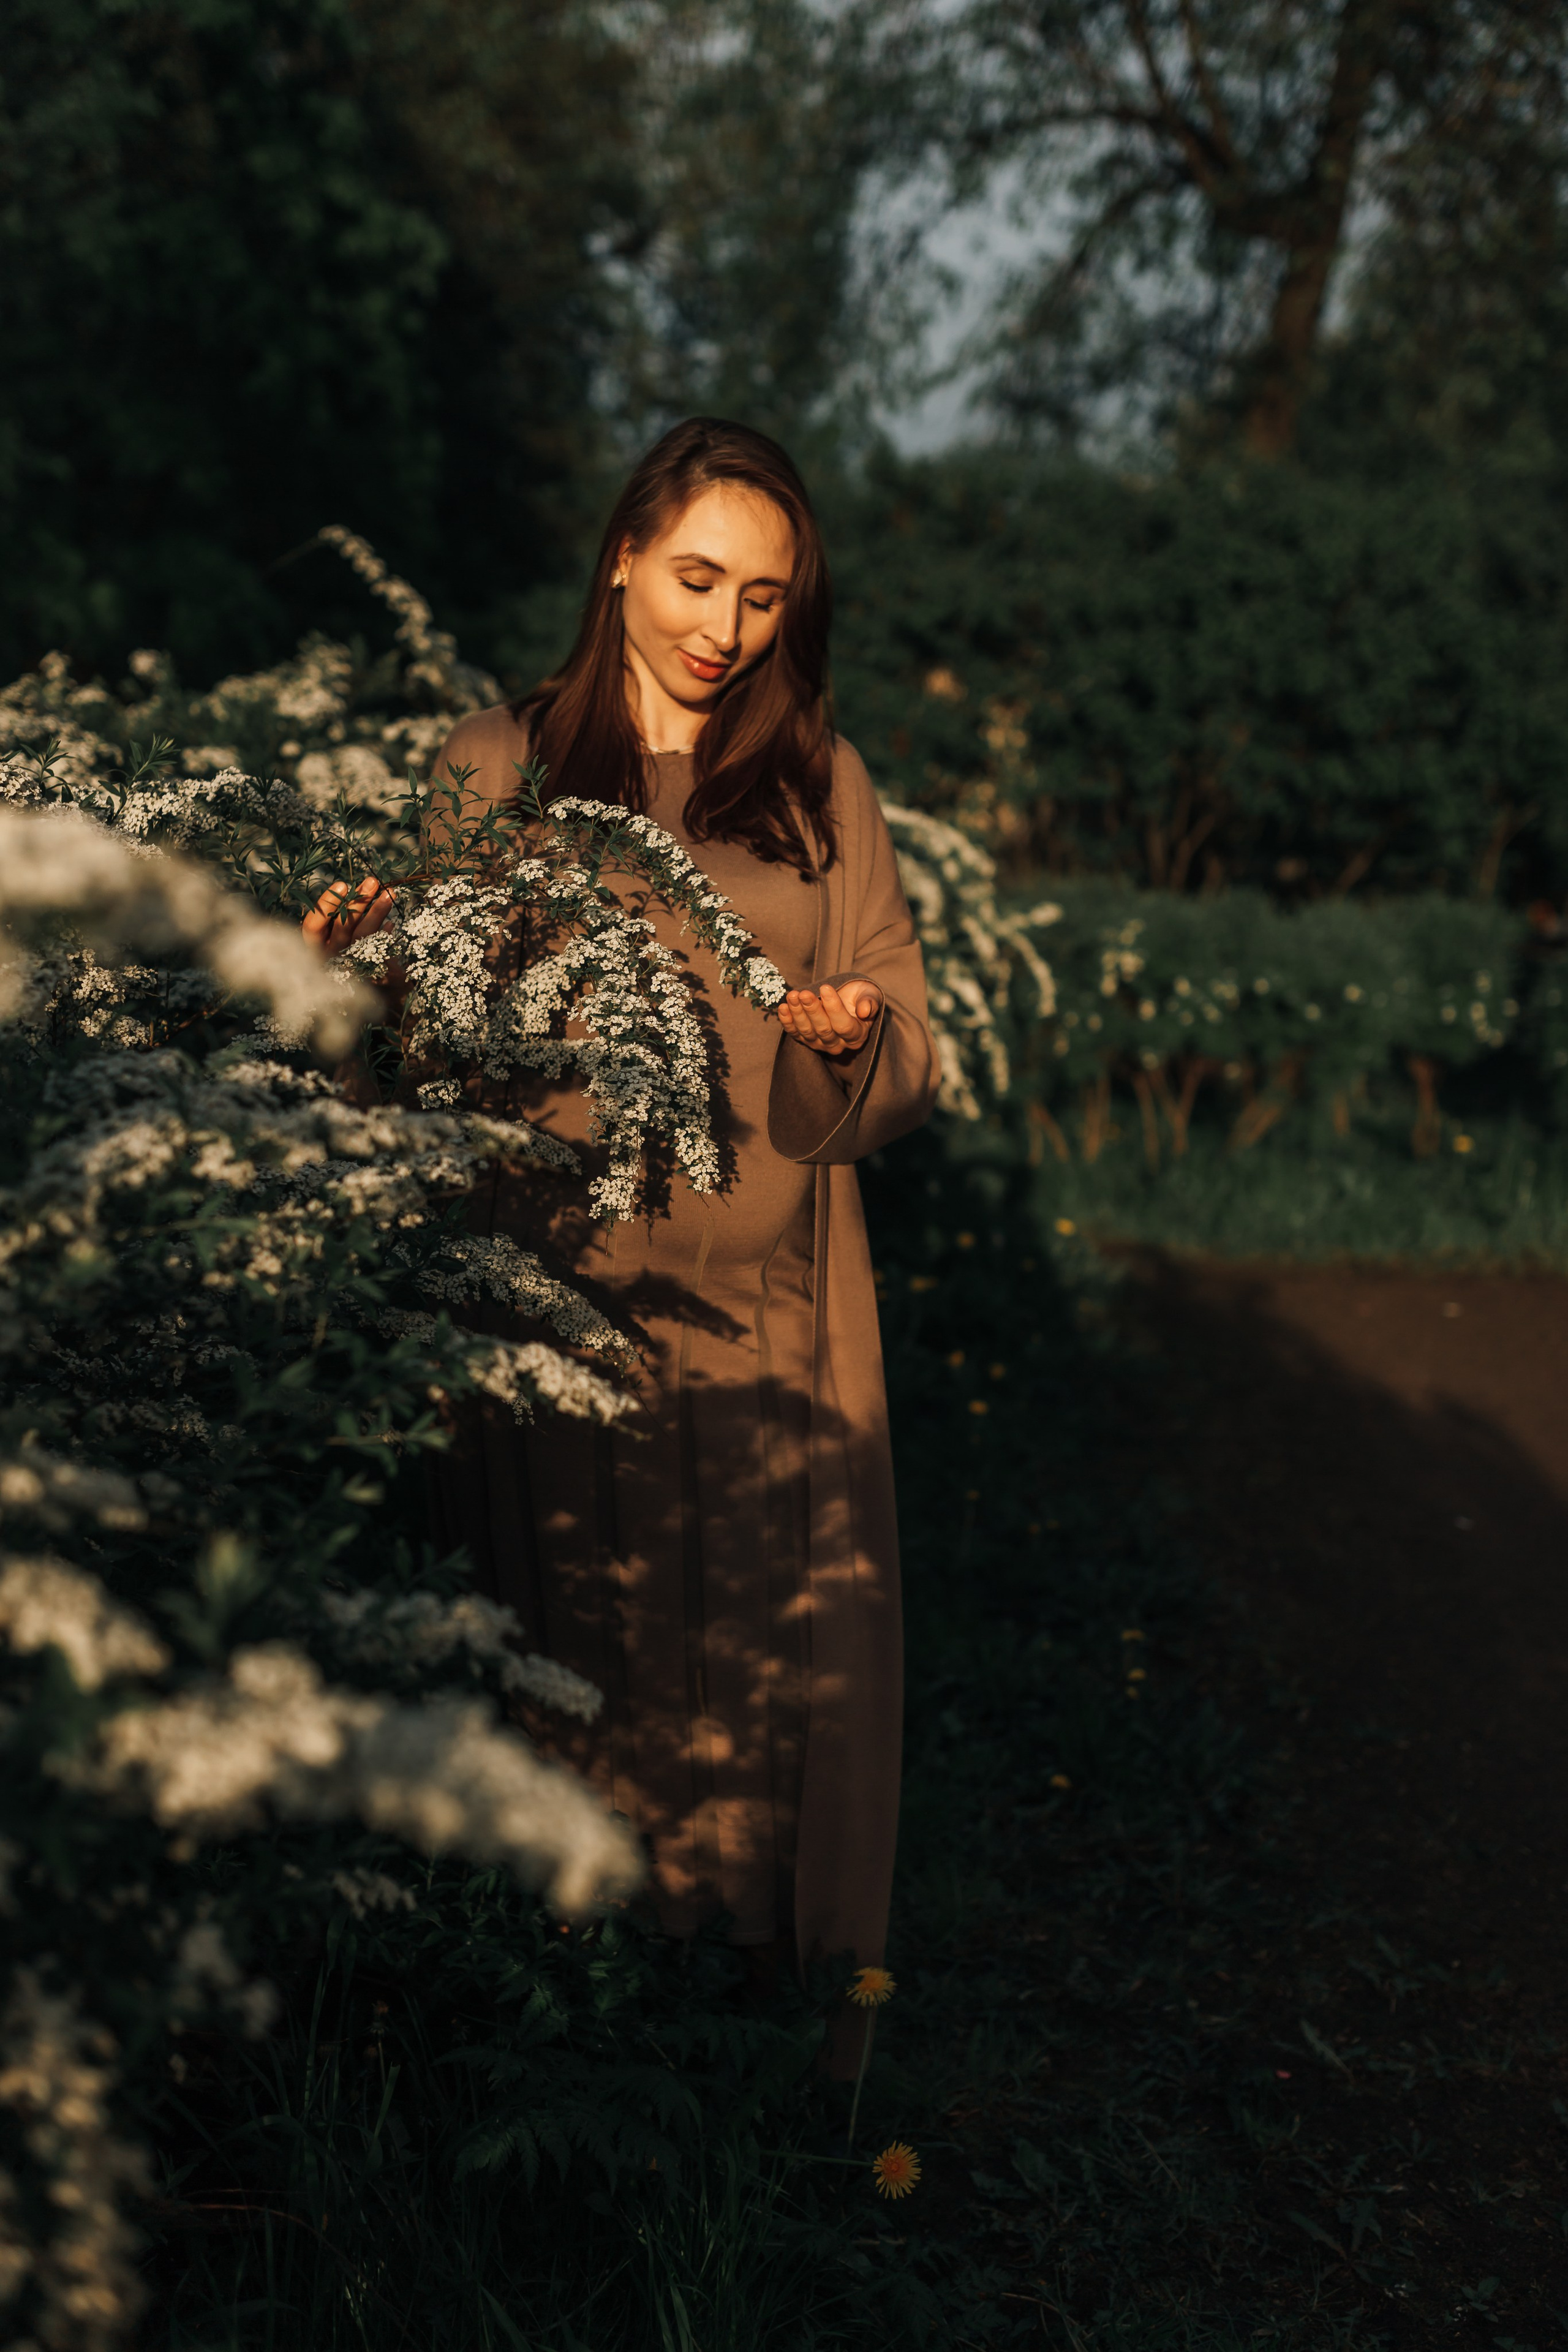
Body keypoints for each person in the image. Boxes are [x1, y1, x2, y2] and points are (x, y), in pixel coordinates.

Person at [307, 418, 937, 2033]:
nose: (725, 629)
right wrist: (355, 971)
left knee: (759, 1639)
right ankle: (546, 2018)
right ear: (621, 561)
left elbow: (906, 1035)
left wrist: (853, 1029)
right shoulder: (490, 767)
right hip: (550, 1290)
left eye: (766, 599)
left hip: (769, 1297)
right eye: (698, 579)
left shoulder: (819, 789)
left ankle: (735, 2031)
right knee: (565, 1626)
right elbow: (408, 1047)